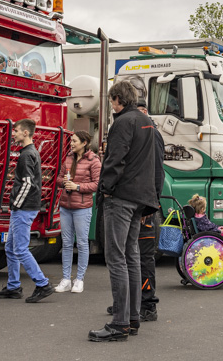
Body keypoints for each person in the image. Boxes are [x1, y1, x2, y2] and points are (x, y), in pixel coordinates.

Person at [89, 80, 164, 342]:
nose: (111, 105)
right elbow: (155, 164)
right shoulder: (148, 124)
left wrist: (105, 189)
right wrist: (152, 199)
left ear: (118, 99)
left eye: (111, 101)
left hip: (120, 197)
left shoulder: (122, 122)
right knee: (131, 256)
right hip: (140, 199)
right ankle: (132, 318)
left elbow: (114, 160)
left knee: (116, 257)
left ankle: (120, 322)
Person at [0, 119, 54, 304]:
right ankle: (13, 286)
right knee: (11, 247)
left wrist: (17, 204)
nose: (13, 134)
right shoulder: (31, 153)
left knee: (19, 248)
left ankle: (43, 284)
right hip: (25, 207)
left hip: (23, 208)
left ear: (26, 133)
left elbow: (28, 183)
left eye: (17, 131)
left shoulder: (26, 155)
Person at [56, 130, 101, 293]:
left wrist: (78, 187)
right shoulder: (68, 157)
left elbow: (97, 184)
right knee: (66, 243)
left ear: (84, 143)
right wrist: (64, 182)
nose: (71, 143)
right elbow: (59, 178)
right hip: (65, 206)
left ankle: (79, 279)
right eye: (71, 141)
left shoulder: (94, 160)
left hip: (82, 208)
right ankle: (66, 279)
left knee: (82, 243)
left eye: (74, 141)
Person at [136, 95, 166, 321]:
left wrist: (152, 205)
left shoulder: (152, 135)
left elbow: (157, 172)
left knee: (145, 258)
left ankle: (148, 305)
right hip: (139, 203)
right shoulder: (143, 133)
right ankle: (133, 301)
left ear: (144, 112)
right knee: (132, 256)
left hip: (146, 207)